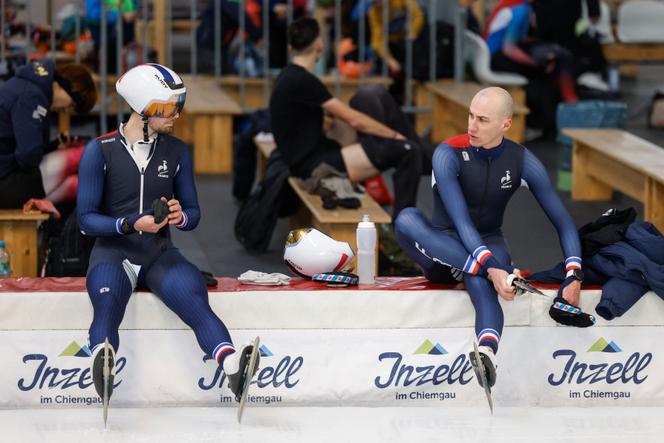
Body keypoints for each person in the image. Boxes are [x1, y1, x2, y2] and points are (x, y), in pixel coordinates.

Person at [76, 63, 258, 404]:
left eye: (179, 107)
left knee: (195, 301)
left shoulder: (177, 152)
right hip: (115, 254)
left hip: (159, 253)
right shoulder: (98, 151)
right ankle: (102, 361)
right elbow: (86, 221)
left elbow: (194, 215)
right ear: (144, 108)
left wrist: (179, 216)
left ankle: (233, 367)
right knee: (107, 303)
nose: (177, 116)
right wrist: (130, 224)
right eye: (170, 109)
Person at [394, 87, 584, 390]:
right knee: (406, 219)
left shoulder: (521, 159)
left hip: (488, 244)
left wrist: (574, 275)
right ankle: (490, 271)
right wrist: (494, 268)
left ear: (505, 124)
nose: (471, 126)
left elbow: (563, 221)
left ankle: (486, 354)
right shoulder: (447, 154)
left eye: (482, 119)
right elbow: (460, 221)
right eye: (470, 116)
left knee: (485, 282)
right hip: (444, 247)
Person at [269, 17, 428, 218]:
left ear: (291, 46)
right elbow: (353, 119)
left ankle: (423, 155)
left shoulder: (289, 76)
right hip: (315, 166)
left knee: (369, 95)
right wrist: (394, 135)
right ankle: (403, 231)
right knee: (409, 151)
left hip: (313, 153)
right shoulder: (302, 80)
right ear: (319, 44)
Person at [0, 59, 96, 209]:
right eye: (70, 105)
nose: (65, 110)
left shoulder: (31, 87)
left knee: (77, 185)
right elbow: (28, 156)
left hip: (6, 177)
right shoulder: (32, 96)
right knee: (82, 154)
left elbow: (25, 149)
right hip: (5, 182)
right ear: (66, 87)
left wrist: (53, 147)